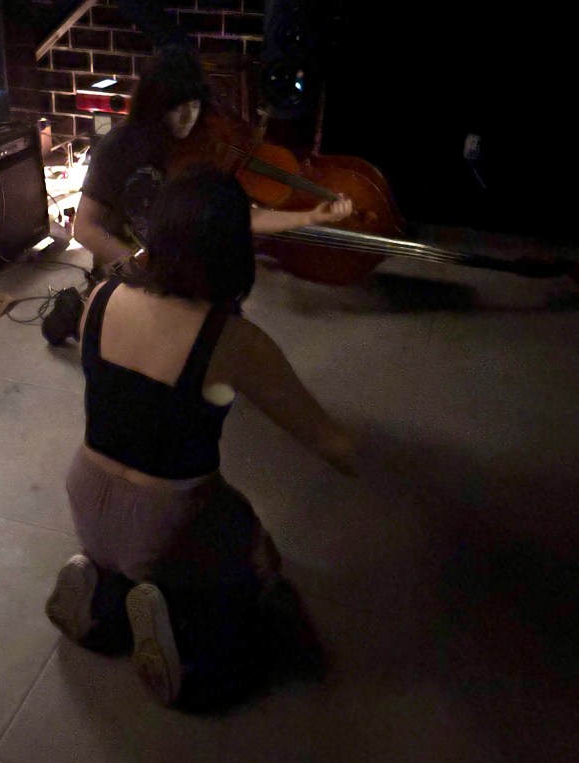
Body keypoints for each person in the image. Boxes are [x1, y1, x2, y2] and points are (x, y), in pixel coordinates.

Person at [45, 167, 355, 709]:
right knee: (257, 567)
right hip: (167, 515)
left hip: (85, 489)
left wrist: (305, 217)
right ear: (235, 250)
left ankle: (102, 597)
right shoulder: (232, 340)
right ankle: (184, 639)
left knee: (134, 558)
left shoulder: (101, 297)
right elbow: (330, 443)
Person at [40, 44, 353, 344]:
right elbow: (85, 227)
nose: (187, 119)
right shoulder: (117, 147)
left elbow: (238, 217)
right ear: (154, 105)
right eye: (176, 108)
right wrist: (137, 265)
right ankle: (76, 311)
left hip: (181, 270)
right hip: (132, 266)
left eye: (194, 106)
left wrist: (310, 216)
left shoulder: (204, 147)